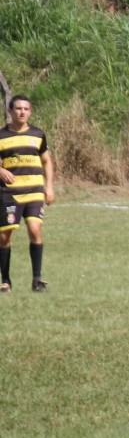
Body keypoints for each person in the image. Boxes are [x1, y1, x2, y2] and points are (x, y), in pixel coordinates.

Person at [0, 96, 55, 293]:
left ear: (30, 112)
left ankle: (37, 280)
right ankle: (6, 281)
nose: (22, 112)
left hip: (34, 191)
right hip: (10, 194)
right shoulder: (1, 135)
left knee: (35, 230)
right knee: (4, 237)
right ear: (10, 111)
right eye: (18, 108)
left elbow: (47, 161)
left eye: (26, 109)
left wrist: (49, 187)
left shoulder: (38, 134)